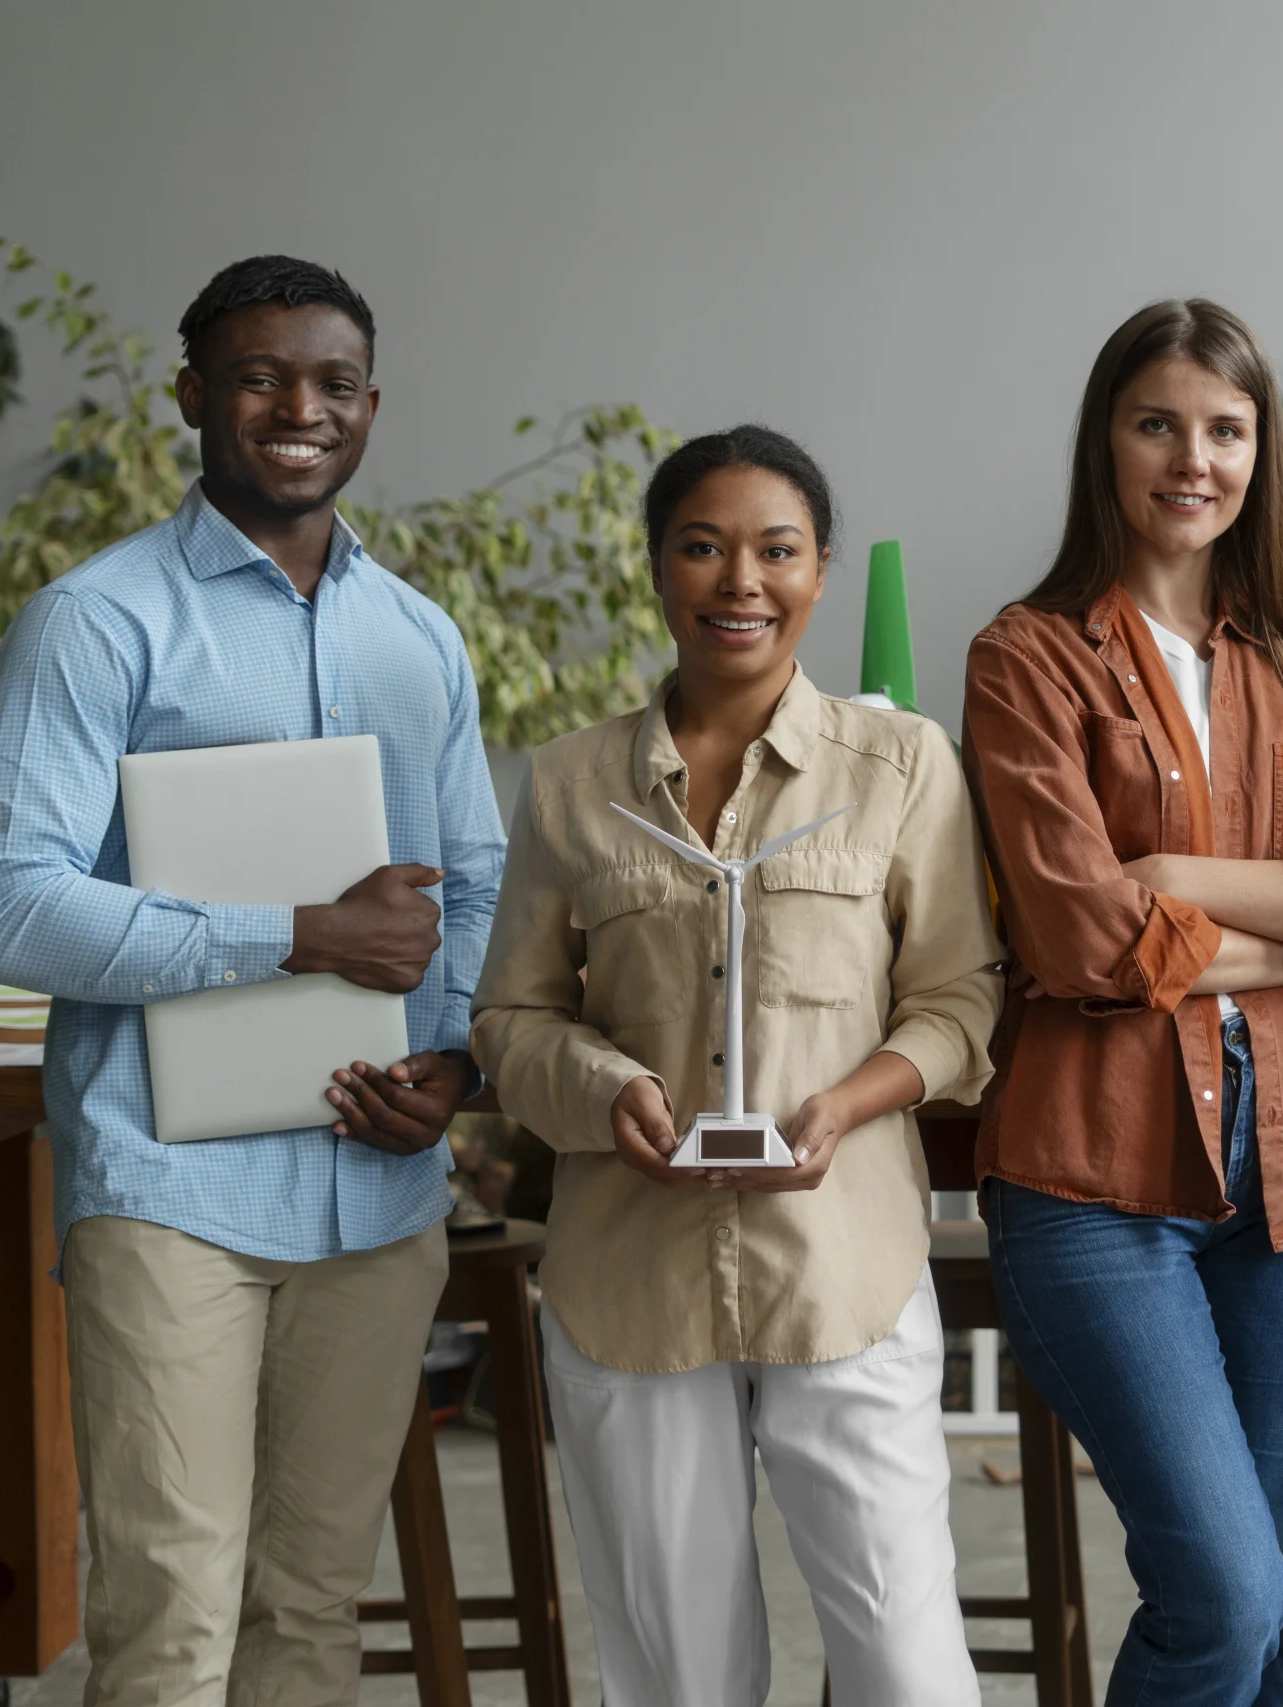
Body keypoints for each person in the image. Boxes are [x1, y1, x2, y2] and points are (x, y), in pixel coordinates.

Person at [0, 255, 504, 1705]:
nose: (296, 408)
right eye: (258, 376)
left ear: (371, 406)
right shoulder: (99, 619)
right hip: (172, 1190)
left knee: (312, 1607)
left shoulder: (419, 634)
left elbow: (478, 879)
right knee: (174, 1608)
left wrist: (451, 1066)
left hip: (375, 1189)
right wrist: (297, 932)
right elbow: (2, 906)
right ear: (195, 395)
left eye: (329, 381)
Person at [470, 425, 1001, 1707]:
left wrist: (848, 1103)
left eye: (777, 550)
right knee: (672, 1673)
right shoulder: (568, 786)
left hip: (846, 1271)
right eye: (703, 548)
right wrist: (608, 1091)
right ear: (658, 569)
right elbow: (510, 1021)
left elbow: (960, 1004)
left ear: (820, 570)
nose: (740, 581)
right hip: (628, 1283)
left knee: (905, 1662)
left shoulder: (906, 766)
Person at [961, 298, 1283, 1704]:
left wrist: (1176, 874)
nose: (1193, 456)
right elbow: (1080, 931)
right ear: (1106, 440)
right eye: (1156, 421)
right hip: (1096, 1180)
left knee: (1260, 1604)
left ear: (1260, 453)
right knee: (1228, 1595)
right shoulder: (1028, 656)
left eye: (1225, 429)